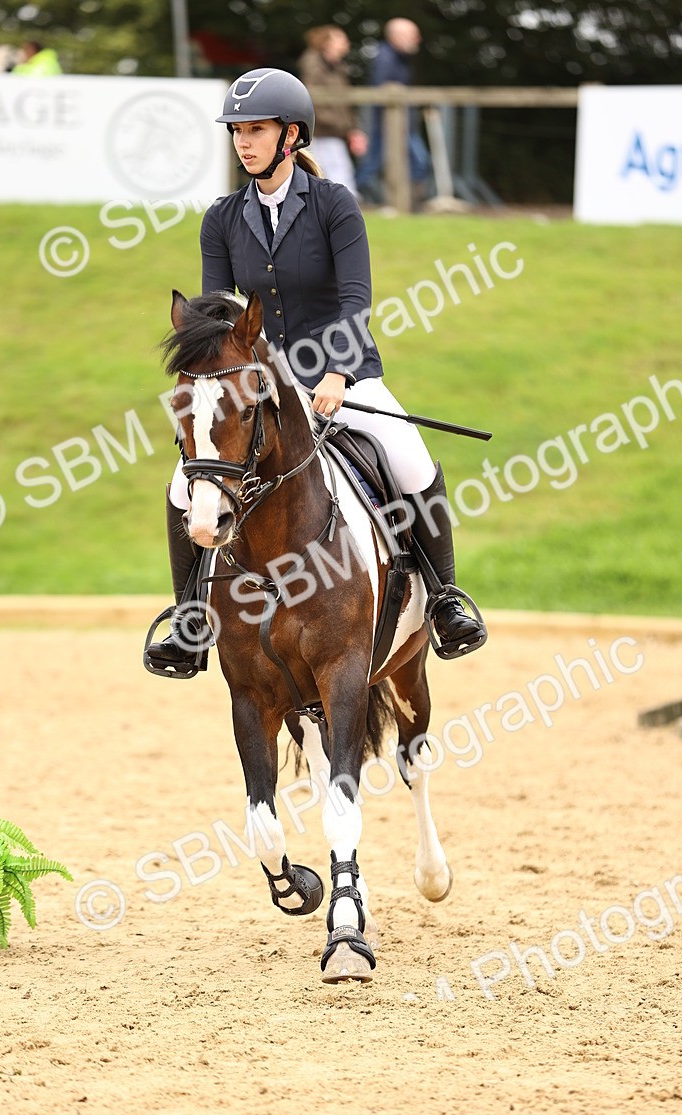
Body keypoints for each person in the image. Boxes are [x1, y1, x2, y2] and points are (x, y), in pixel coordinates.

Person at [146, 68, 485, 674]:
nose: (243, 142)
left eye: (256, 130)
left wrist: (336, 374)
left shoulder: (334, 206)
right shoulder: (221, 219)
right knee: (183, 484)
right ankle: (190, 618)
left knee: (407, 455)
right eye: (237, 132)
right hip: (260, 387)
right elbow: (216, 318)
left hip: (342, 373)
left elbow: (356, 300)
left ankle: (444, 600)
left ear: (292, 136)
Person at [354, 18, 431, 204]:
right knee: (374, 166)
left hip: (399, 125)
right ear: (397, 36)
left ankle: (402, 203)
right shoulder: (386, 58)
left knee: (377, 165)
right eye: (413, 35)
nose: (418, 39)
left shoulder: (399, 58)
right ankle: (355, 201)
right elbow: (383, 93)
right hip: (387, 125)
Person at [298, 26, 367, 196]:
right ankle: (345, 206)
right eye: (340, 39)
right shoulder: (313, 65)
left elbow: (343, 103)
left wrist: (352, 128)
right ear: (326, 43)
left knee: (336, 170)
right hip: (321, 131)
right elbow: (314, 100)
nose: (345, 44)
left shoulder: (337, 68)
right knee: (334, 171)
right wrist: (345, 127)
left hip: (334, 131)